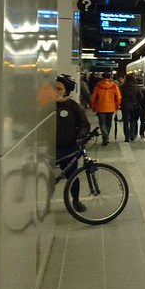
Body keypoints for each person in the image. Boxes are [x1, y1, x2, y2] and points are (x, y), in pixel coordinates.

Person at [55, 74, 90, 212]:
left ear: (67, 91)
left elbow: (84, 125)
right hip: (48, 148)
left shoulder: (74, 107)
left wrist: (80, 138)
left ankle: (75, 200)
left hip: (68, 148)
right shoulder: (46, 106)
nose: (55, 92)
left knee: (72, 176)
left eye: (59, 89)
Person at [90, 71, 121, 145]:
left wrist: (93, 106)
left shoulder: (98, 85)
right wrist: (117, 105)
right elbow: (118, 97)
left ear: (102, 77)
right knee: (108, 123)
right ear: (110, 77)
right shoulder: (114, 85)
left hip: (100, 107)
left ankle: (105, 137)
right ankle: (106, 137)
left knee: (102, 124)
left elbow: (93, 97)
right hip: (110, 107)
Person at [120, 73, 143, 142]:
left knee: (126, 122)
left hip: (125, 106)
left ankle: (127, 137)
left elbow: (120, 97)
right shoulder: (136, 87)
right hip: (134, 106)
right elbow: (141, 97)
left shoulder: (122, 87)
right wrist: (137, 101)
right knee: (133, 121)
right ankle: (132, 135)